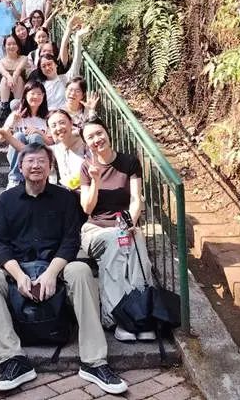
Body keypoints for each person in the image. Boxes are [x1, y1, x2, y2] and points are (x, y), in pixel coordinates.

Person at [0, 142, 129, 394]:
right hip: (18, 269)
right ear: (20, 167)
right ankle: (13, 360)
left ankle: (94, 361)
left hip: (56, 267)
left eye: (41, 161)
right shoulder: (6, 200)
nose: (36, 165)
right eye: (30, 161)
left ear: (50, 166)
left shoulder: (65, 198)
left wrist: (50, 274)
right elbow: (0, 245)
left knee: (81, 271)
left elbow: (70, 241)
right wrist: (19, 276)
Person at [79, 119, 150, 340]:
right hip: (96, 230)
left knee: (138, 248)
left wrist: (130, 224)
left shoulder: (129, 162)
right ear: (86, 143)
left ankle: (141, 315)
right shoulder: (86, 167)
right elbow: (87, 208)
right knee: (114, 245)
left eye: (99, 133)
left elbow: (135, 199)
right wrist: (95, 180)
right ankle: (117, 319)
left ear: (108, 132)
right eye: (90, 137)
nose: (96, 139)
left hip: (125, 226)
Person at [0, 108, 87, 192]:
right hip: (69, 194)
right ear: (49, 130)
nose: (59, 128)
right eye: (53, 125)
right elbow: (27, 150)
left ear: (71, 122)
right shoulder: (57, 149)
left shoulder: (84, 141)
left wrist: (90, 112)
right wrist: (5, 134)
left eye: (62, 123)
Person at [0, 80, 50, 189]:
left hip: (39, 158)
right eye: (32, 93)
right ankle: (15, 179)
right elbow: (0, 138)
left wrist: (38, 131)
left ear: (43, 96)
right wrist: (13, 122)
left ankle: (39, 178)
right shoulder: (16, 114)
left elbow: (52, 142)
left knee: (36, 137)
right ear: (25, 95)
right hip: (17, 159)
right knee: (18, 136)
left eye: (39, 93)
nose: (36, 96)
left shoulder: (47, 118)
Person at [0, 35, 30, 120]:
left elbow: (18, 71)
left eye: (14, 44)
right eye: (9, 44)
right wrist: (9, 78)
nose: (11, 46)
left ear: (18, 45)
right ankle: (4, 107)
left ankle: (19, 106)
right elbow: (4, 72)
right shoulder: (0, 62)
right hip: (5, 90)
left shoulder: (24, 58)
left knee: (19, 78)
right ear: (4, 46)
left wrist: (12, 78)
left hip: (20, 89)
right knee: (4, 78)